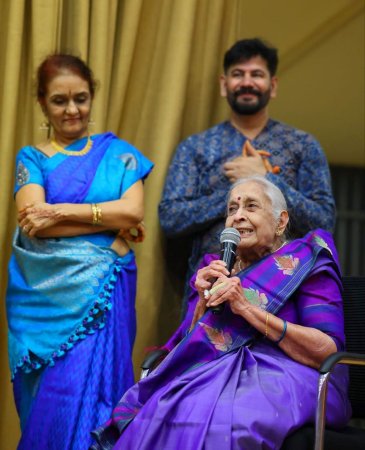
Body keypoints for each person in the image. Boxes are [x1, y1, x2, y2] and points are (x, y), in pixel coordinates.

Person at [91, 176, 350, 450]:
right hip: (211, 371)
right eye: (231, 209)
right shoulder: (214, 268)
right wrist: (203, 304)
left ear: (281, 222)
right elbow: (190, 347)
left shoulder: (303, 261)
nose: (238, 216)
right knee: (159, 412)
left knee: (225, 420)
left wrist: (247, 309)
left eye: (251, 207)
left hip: (289, 373)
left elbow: (326, 350)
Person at [6, 53, 153, 450]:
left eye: (81, 98)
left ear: (92, 96)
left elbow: (134, 211)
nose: (72, 110)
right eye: (59, 100)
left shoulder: (120, 154)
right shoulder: (31, 158)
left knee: (99, 399)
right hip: (44, 299)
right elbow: (32, 221)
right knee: (51, 401)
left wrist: (58, 212)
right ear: (41, 102)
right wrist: (107, 219)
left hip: (105, 293)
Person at [158, 37, 336, 314]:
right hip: (210, 283)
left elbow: (324, 220)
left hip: (285, 289)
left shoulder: (302, 145)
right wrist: (236, 197)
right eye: (238, 74)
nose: (247, 82)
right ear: (223, 83)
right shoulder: (196, 147)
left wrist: (267, 179)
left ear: (272, 85)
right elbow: (171, 218)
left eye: (257, 75)